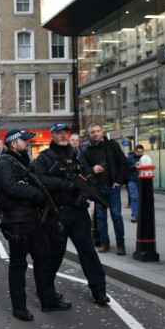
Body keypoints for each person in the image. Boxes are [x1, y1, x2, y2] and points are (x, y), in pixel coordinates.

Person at [0, 129, 71, 321]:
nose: (27, 143)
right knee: (18, 265)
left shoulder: (24, 161)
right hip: (16, 222)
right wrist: (36, 193)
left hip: (34, 220)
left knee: (43, 261)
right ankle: (19, 307)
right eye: (23, 141)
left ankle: (48, 300)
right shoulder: (5, 163)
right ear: (13, 143)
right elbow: (11, 187)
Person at [34, 123, 110, 306]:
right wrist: (64, 184)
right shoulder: (44, 157)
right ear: (51, 135)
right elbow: (40, 179)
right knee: (54, 254)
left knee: (88, 252)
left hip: (78, 213)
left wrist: (91, 189)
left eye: (65, 133)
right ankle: (46, 291)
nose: (63, 136)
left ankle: (99, 291)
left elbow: (87, 175)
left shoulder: (76, 154)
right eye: (58, 133)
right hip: (57, 213)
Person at [82, 123, 129, 255]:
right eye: (92, 132)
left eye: (97, 131)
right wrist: (93, 169)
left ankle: (121, 244)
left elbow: (123, 163)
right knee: (101, 217)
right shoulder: (87, 151)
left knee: (116, 216)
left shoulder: (112, 145)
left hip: (113, 187)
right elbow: (83, 170)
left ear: (102, 132)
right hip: (98, 189)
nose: (95, 134)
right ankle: (105, 243)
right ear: (90, 134)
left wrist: (119, 181)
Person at [126, 145, 144, 222]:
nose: (140, 153)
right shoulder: (130, 158)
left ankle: (142, 215)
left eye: (141, 152)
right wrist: (134, 166)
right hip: (132, 180)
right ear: (135, 151)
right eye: (138, 152)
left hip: (142, 180)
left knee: (142, 198)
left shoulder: (144, 158)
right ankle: (134, 215)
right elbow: (126, 168)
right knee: (134, 198)